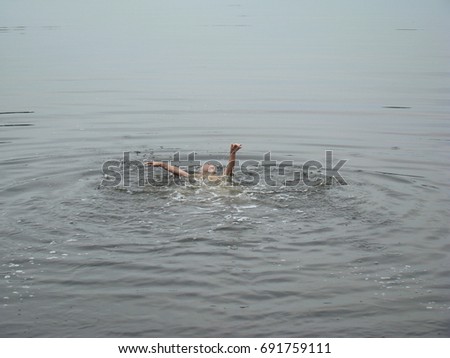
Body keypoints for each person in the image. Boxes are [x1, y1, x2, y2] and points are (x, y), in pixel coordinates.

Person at [144, 143, 242, 183]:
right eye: (207, 164)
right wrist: (162, 164)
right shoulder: (197, 177)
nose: (211, 165)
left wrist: (232, 153)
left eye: (213, 165)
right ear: (201, 171)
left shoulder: (221, 177)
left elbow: (230, 166)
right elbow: (177, 171)